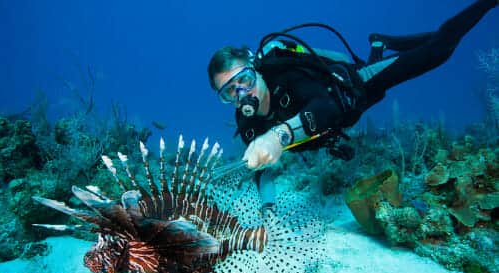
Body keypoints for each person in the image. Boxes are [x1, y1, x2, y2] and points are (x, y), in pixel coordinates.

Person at [208, 0, 498, 213]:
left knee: (437, 51)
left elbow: (326, 108)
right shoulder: (248, 125)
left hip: (357, 87)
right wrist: (268, 207)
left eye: (243, 80)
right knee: (420, 50)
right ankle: (379, 44)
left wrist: (276, 136)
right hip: (346, 119)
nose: (241, 93)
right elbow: (262, 170)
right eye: (229, 91)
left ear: (255, 69)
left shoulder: (284, 76)